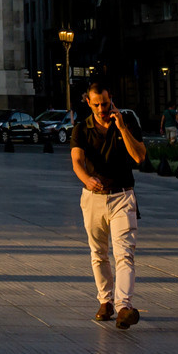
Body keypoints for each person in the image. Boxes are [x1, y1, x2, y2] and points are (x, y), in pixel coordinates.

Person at [72, 81, 147, 329]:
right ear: (89, 103)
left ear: (111, 98)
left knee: (125, 253)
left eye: (105, 103)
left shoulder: (126, 121)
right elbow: (77, 162)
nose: (102, 109)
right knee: (98, 253)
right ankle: (106, 301)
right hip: (93, 198)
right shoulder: (82, 128)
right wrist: (87, 179)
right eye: (97, 105)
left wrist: (122, 128)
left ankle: (124, 306)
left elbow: (139, 156)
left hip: (122, 196)